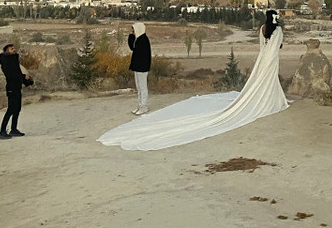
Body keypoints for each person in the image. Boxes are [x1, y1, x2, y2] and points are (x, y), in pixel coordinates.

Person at [98, 10, 289, 151]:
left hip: (263, 58)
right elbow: (278, 46)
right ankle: (270, 97)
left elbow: (263, 43)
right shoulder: (278, 30)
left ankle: (143, 104)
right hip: (271, 60)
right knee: (268, 79)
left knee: (261, 79)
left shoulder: (263, 29)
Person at [0, 44, 33, 139]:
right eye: (12, 49)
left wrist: (27, 82)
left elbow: (17, 73)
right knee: (10, 110)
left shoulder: (13, 60)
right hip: (11, 88)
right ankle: (2, 131)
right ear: (7, 51)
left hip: (17, 87)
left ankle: (13, 129)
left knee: (17, 109)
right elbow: (12, 75)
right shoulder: (6, 62)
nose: (14, 50)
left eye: (14, 48)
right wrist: (24, 77)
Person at [128, 22, 151, 115]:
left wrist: (132, 38)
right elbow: (132, 48)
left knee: (143, 87)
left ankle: (143, 106)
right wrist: (131, 37)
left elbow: (142, 55)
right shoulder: (138, 39)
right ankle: (140, 105)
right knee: (138, 87)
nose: (133, 32)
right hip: (137, 67)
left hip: (142, 68)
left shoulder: (143, 40)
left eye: (134, 30)